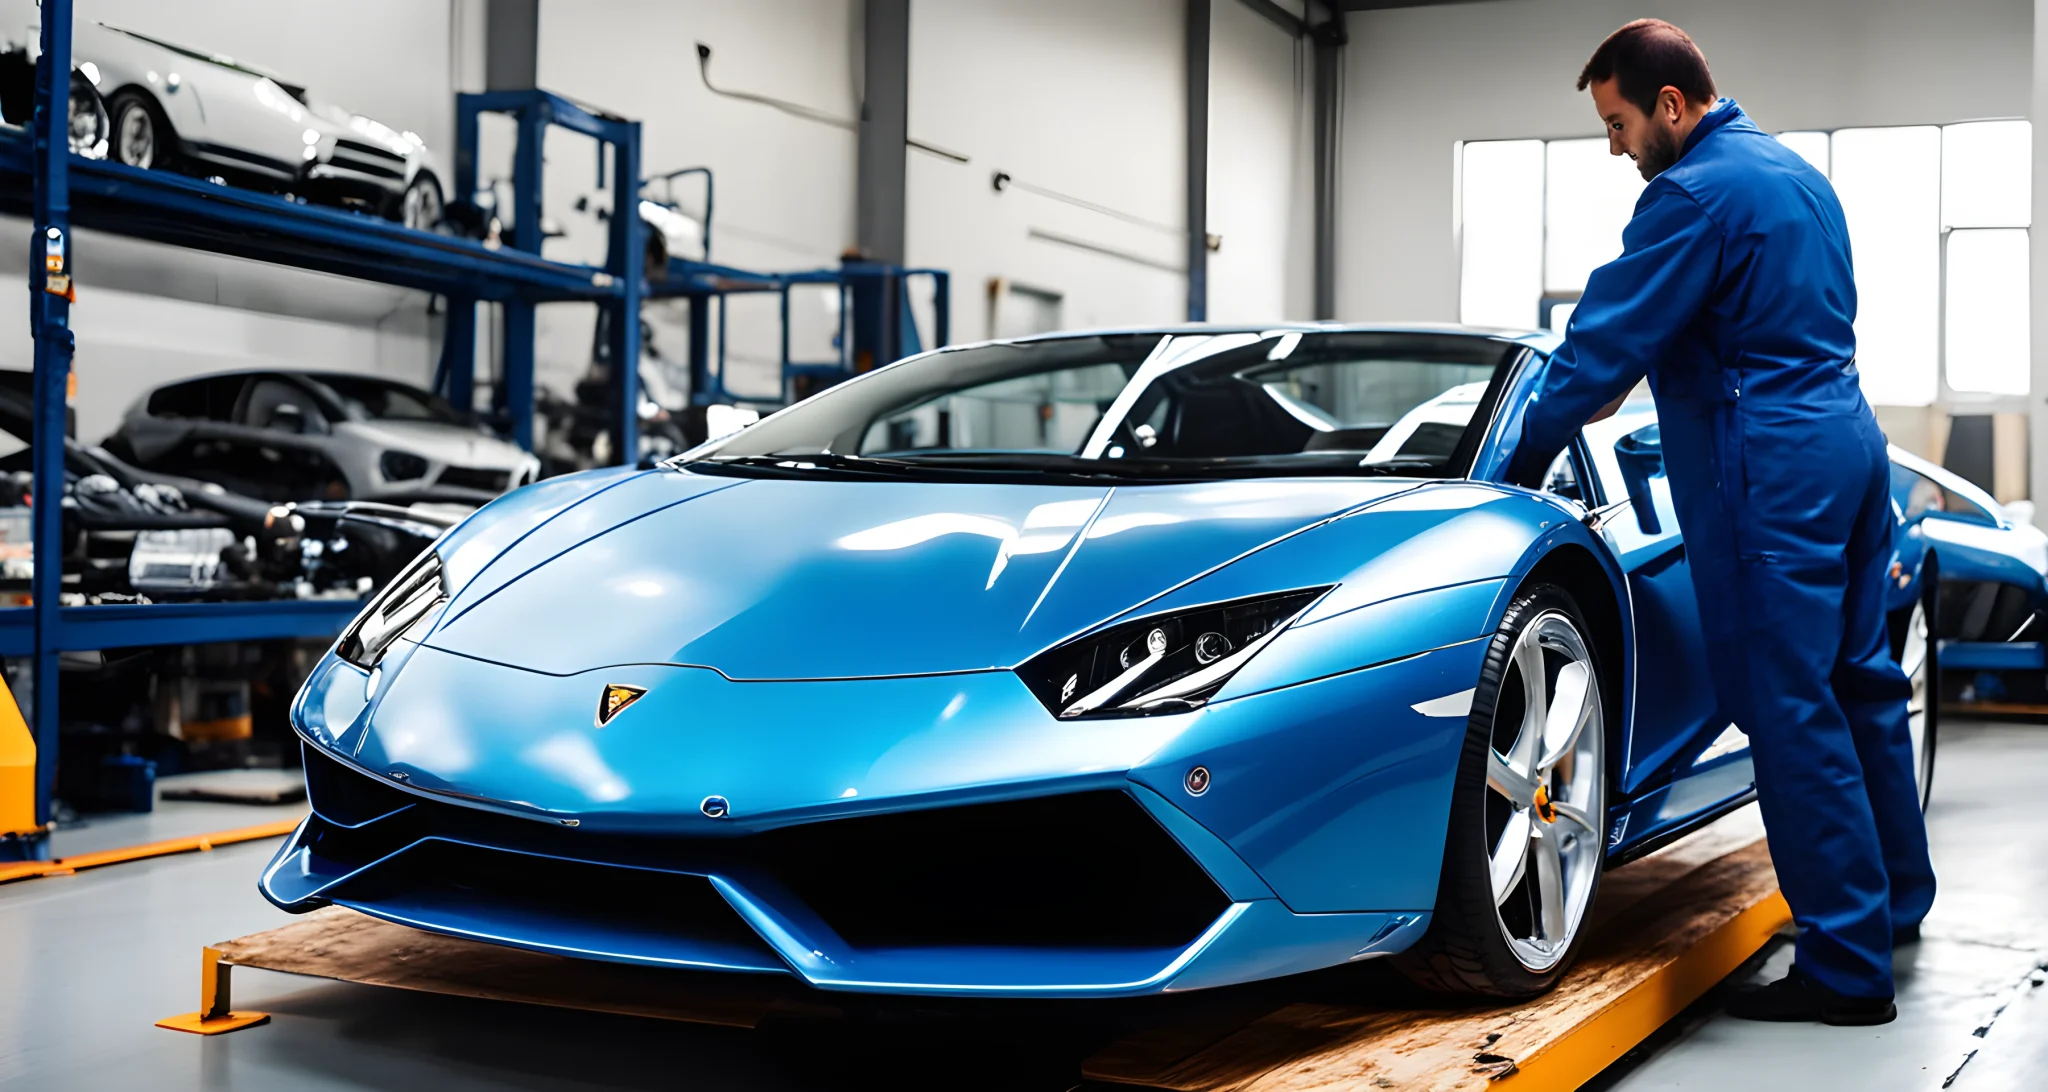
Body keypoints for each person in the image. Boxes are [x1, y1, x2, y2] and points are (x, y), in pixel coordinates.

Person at [1501, 19, 1935, 1025]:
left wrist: (1519, 461)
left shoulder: (1689, 195)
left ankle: (1842, 968)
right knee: (1858, 680)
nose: (1612, 147)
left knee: (1783, 702)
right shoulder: (1795, 176)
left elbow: (1598, 343)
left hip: (1766, 462)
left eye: (1614, 124)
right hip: (1845, 442)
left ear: (1668, 104)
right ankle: (1891, 909)